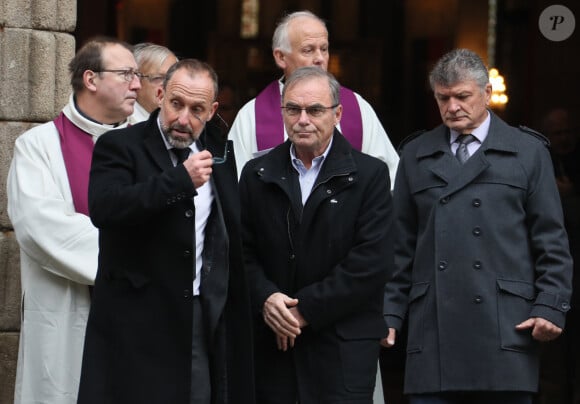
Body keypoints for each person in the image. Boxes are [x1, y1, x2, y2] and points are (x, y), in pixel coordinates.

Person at [382, 48, 573, 404]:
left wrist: (550, 306)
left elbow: (551, 241)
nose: (452, 106)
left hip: (505, 328)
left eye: (462, 96)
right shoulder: (415, 154)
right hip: (434, 331)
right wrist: (389, 313)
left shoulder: (528, 152)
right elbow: (399, 246)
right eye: (443, 98)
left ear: (486, 94)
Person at [77, 59, 254, 404]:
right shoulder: (120, 146)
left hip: (199, 316)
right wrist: (179, 180)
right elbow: (106, 208)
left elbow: (229, 231)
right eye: (177, 104)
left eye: (197, 109)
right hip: (135, 322)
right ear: (159, 95)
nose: (184, 119)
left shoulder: (218, 152)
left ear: (213, 109)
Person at [239, 66, 393, 404]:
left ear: (337, 114)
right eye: (293, 109)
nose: (302, 119)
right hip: (272, 345)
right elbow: (241, 251)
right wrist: (267, 298)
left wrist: (303, 310)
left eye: (315, 110)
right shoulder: (257, 173)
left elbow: (370, 263)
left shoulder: (370, 175)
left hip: (340, 347)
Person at [6, 36, 140, 404]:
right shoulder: (39, 146)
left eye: (138, 74)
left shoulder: (147, 144)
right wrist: (134, 257)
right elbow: (42, 229)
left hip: (138, 315)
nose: (138, 84)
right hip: (67, 315)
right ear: (91, 79)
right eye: (127, 73)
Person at [229, 10, 399, 187]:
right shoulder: (252, 115)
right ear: (280, 57)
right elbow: (236, 186)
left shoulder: (357, 107)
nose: (319, 58)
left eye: (324, 49)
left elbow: (389, 179)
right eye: (308, 50)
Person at [536, 107, 580, 404]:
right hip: (549, 267)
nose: (563, 139)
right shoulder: (539, 161)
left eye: (567, 132)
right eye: (556, 133)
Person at [131, 42, 178, 122]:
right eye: (159, 78)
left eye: (174, 79)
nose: (168, 85)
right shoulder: (121, 123)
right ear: (135, 79)